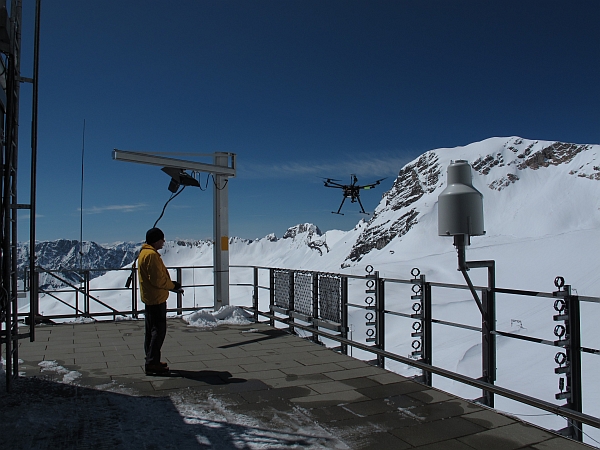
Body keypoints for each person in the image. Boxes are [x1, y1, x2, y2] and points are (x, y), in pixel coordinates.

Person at [138, 227, 183, 375]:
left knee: (150, 331)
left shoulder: (144, 253)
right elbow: (158, 280)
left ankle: (151, 359)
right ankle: (152, 363)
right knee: (158, 331)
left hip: (150, 297)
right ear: (156, 240)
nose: (163, 242)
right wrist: (172, 285)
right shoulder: (151, 255)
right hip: (156, 298)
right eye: (162, 239)